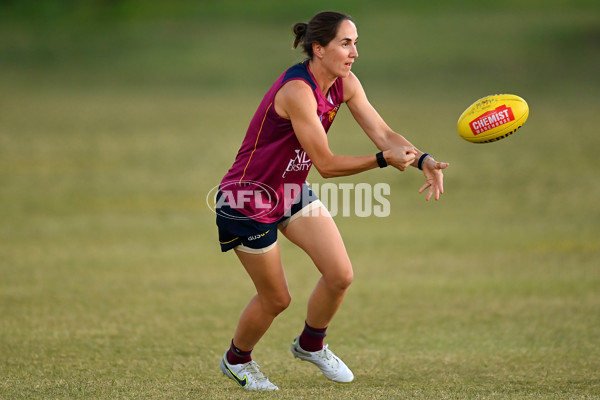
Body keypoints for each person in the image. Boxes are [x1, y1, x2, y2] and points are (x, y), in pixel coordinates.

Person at [216, 11, 449, 391]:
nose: (354, 52)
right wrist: (380, 162)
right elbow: (324, 164)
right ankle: (237, 359)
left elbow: (383, 132)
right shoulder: (297, 92)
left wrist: (422, 158)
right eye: (346, 43)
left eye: (356, 43)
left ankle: (311, 345)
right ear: (318, 49)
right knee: (276, 299)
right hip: (248, 199)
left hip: (289, 190)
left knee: (340, 275)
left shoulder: (345, 83)